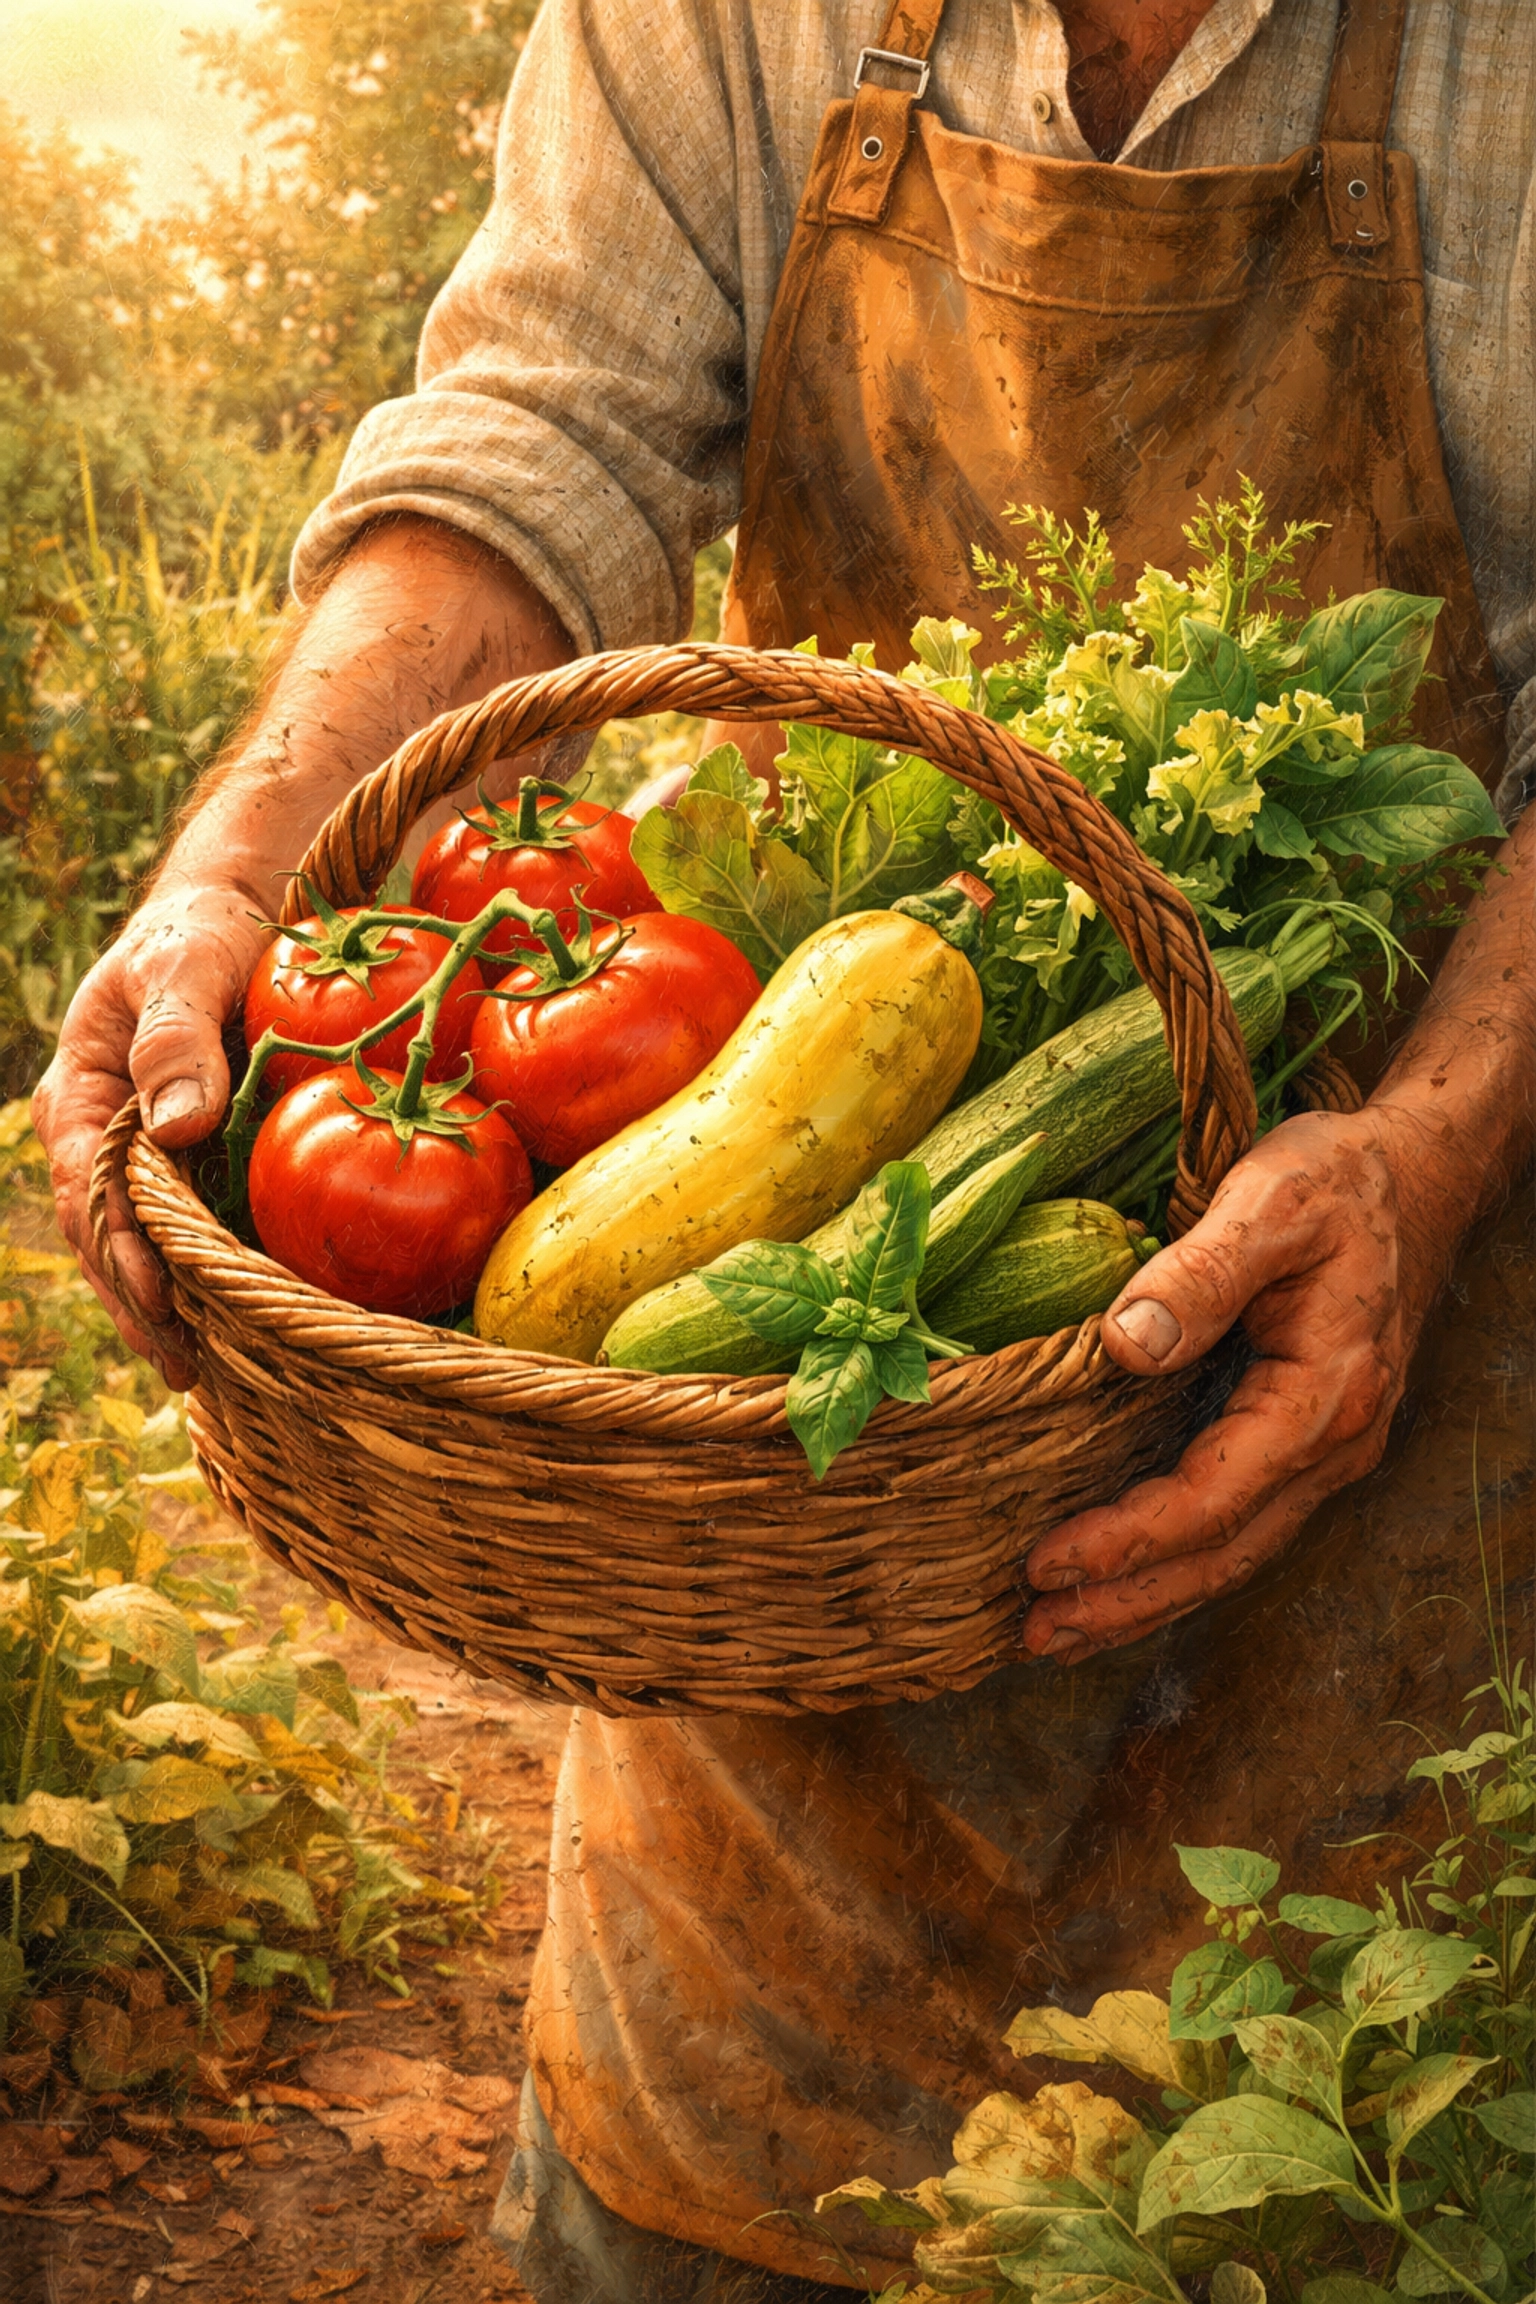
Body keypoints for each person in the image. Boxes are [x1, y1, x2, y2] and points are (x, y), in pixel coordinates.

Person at [34, 2, 1536, 2300]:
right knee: (703, 2204)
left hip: (1368, 1458)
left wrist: (1423, 1148)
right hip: (772, 1527)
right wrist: (240, 868)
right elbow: (538, 431)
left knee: (1312, 2190)